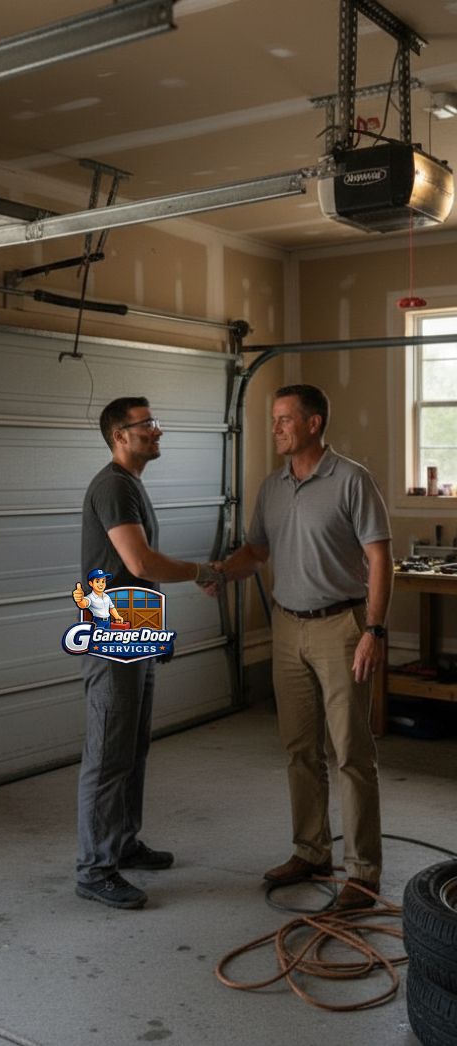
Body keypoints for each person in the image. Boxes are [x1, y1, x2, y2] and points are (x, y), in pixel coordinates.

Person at [210, 384, 392, 910]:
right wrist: (220, 572)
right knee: (300, 750)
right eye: (273, 420)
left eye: (285, 419)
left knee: (352, 753)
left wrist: (374, 631)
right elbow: (256, 551)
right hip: (287, 628)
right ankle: (311, 851)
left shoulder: (352, 480)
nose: (275, 428)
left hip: (342, 628)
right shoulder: (272, 487)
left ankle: (362, 874)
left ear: (314, 424)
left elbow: (380, 559)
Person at [75, 396, 218, 910]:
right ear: (120, 435)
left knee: (132, 749)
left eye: (157, 422)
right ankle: (95, 870)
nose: (157, 431)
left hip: (134, 630)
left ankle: (123, 843)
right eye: (147, 425)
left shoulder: (130, 484)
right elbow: (140, 562)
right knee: (108, 755)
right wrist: (201, 571)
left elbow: (131, 572)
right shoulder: (113, 486)